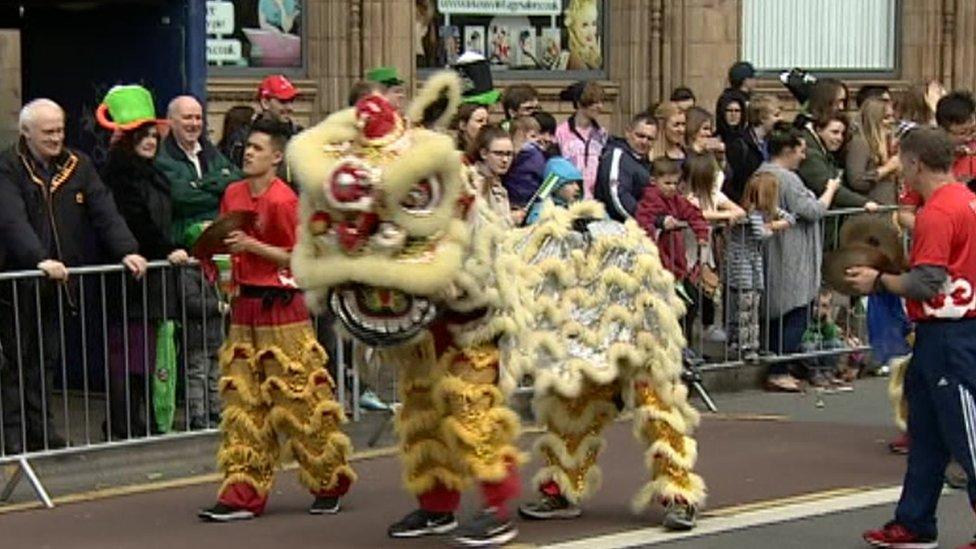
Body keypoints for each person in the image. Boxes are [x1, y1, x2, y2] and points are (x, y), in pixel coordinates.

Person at [197, 117, 355, 522]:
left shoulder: (284, 200)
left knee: (300, 397)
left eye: (257, 148)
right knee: (243, 402)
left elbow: (299, 258)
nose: (248, 153)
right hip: (243, 306)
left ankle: (328, 479)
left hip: (282, 309)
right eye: (246, 147)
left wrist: (254, 246)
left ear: (277, 155)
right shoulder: (232, 193)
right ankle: (242, 490)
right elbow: (225, 246)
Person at [850, 126, 976, 549]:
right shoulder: (966, 199)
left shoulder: (938, 211)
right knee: (927, 434)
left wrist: (879, 280)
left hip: (951, 335)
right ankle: (915, 521)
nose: (900, 170)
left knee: (965, 434)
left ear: (915, 162)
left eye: (902, 162)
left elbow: (926, 281)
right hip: (947, 331)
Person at [0, 99, 147, 454]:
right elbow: (11, 220)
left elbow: (104, 209)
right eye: (48, 132)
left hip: (59, 282)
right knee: (16, 361)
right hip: (18, 282)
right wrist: (38, 259)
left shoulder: (78, 165)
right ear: (26, 133)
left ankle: (42, 432)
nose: (56, 138)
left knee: (46, 359)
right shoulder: (8, 167)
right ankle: (14, 436)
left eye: (60, 130)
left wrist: (127, 248)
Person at [97, 85, 191, 439]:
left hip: (151, 279)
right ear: (128, 138)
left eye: (154, 134)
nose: (151, 141)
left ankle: (141, 419)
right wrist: (165, 249)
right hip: (129, 279)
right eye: (143, 135)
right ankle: (122, 424)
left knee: (144, 355)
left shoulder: (155, 173)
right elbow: (136, 218)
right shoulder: (120, 175)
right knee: (126, 356)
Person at [756, 122, 840, 392]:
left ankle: (779, 366)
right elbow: (812, 210)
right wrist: (830, 189)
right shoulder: (787, 179)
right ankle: (778, 369)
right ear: (788, 150)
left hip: (775, 250)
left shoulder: (761, 172)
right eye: (801, 150)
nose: (804, 156)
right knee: (797, 311)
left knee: (778, 314)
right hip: (791, 253)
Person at [156, 95, 241, 247]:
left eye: (198, 118)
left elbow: (236, 180)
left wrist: (199, 184)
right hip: (182, 246)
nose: (194, 124)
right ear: (171, 121)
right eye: (187, 118)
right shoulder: (161, 158)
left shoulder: (211, 152)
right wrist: (219, 192)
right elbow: (179, 198)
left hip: (218, 241)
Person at [726, 171, 791, 360]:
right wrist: (772, 228)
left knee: (752, 306)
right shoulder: (753, 214)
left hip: (753, 267)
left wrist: (777, 216)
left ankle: (750, 344)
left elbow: (789, 218)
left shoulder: (762, 213)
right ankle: (745, 346)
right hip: (742, 268)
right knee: (745, 309)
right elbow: (760, 234)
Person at [635, 158, 710, 321]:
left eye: (675, 184)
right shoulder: (650, 201)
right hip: (659, 261)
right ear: (654, 181)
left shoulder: (676, 200)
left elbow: (693, 213)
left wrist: (701, 233)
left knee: (687, 305)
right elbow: (643, 223)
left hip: (676, 261)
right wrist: (658, 228)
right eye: (667, 183)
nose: (672, 188)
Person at [797, 113, 878, 210]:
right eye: (834, 132)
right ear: (819, 130)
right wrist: (864, 202)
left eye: (842, 134)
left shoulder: (823, 152)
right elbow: (826, 187)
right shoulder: (811, 155)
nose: (839, 138)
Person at [226, 75, 302, 171]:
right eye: (283, 101)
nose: (290, 108)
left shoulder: (299, 137)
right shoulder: (241, 139)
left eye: (291, 101)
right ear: (265, 103)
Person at [592, 110, 655, 221]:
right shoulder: (616, 155)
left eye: (650, 138)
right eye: (640, 136)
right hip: (615, 228)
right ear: (628, 133)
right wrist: (647, 219)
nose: (645, 141)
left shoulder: (645, 162)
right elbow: (618, 197)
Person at [555, 81, 608, 198]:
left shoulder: (602, 134)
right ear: (579, 104)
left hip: (596, 199)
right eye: (594, 102)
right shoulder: (561, 132)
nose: (600, 107)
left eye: (601, 102)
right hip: (570, 198)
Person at [846, 97, 902, 205]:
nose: (892, 121)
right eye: (886, 117)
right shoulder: (860, 143)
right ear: (874, 120)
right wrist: (886, 169)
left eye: (892, 117)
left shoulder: (889, 143)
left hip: (890, 209)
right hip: (870, 212)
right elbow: (856, 181)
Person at [726, 94, 781, 204]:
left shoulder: (774, 141)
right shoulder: (739, 144)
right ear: (762, 118)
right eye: (776, 115)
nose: (780, 119)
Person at [469, 125, 520, 225]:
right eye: (498, 154)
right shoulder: (473, 182)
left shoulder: (497, 182)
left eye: (509, 154)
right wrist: (510, 220)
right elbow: (479, 227)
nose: (505, 160)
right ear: (483, 153)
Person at [524, 157, 583, 225]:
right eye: (570, 183)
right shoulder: (540, 214)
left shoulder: (584, 212)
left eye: (578, 183)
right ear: (556, 186)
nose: (577, 188)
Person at [503, 116, 546, 208]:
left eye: (534, 136)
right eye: (522, 137)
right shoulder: (511, 152)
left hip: (525, 198)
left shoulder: (535, 154)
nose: (529, 141)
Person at [936, 91, 976, 183]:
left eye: (972, 131)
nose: (969, 138)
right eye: (962, 133)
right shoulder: (931, 159)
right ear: (943, 131)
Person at [715, 61, 756, 143]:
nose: (755, 81)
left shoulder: (724, 97)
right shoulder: (742, 101)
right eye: (753, 78)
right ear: (746, 80)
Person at [564, 0, 602, 70]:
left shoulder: (588, 55)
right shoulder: (576, 61)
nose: (591, 31)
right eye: (585, 25)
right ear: (574, 28)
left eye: (593, 24)